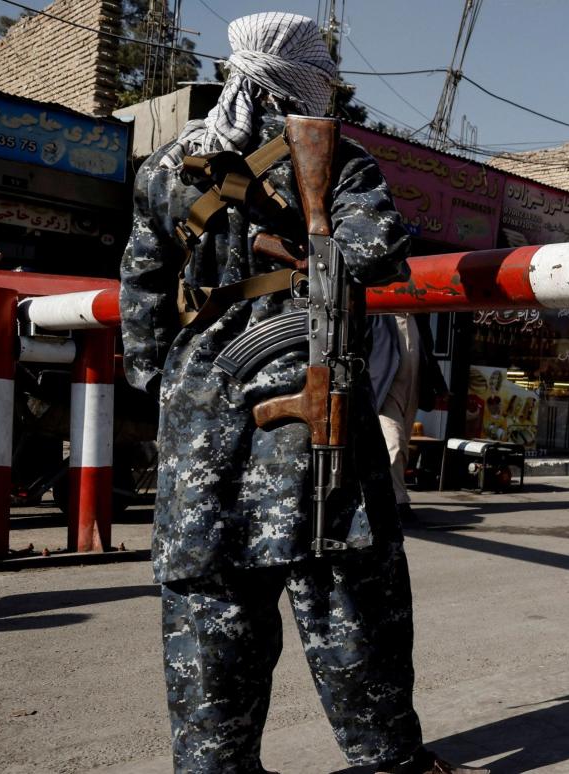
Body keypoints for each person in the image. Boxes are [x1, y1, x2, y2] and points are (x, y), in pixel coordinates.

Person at [118, 14, 484, 774]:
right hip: (309, 431)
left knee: (210, 612)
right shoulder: (338, 161)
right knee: (352, 607)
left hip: (201, 437)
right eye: (326, 76)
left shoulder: (164, 168)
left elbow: (142, 298)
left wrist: (172, 391)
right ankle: (390, 763)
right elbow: (378, 253)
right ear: (301, 80)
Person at [371, 314, 448, 523]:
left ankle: (385, 496)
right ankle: (399, 503)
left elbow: (427, 356)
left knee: (402, 448)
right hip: (386, 392)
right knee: (394, 445)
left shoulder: (419, 319)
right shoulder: (379, 315)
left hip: (412, 390)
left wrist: (440, 387)